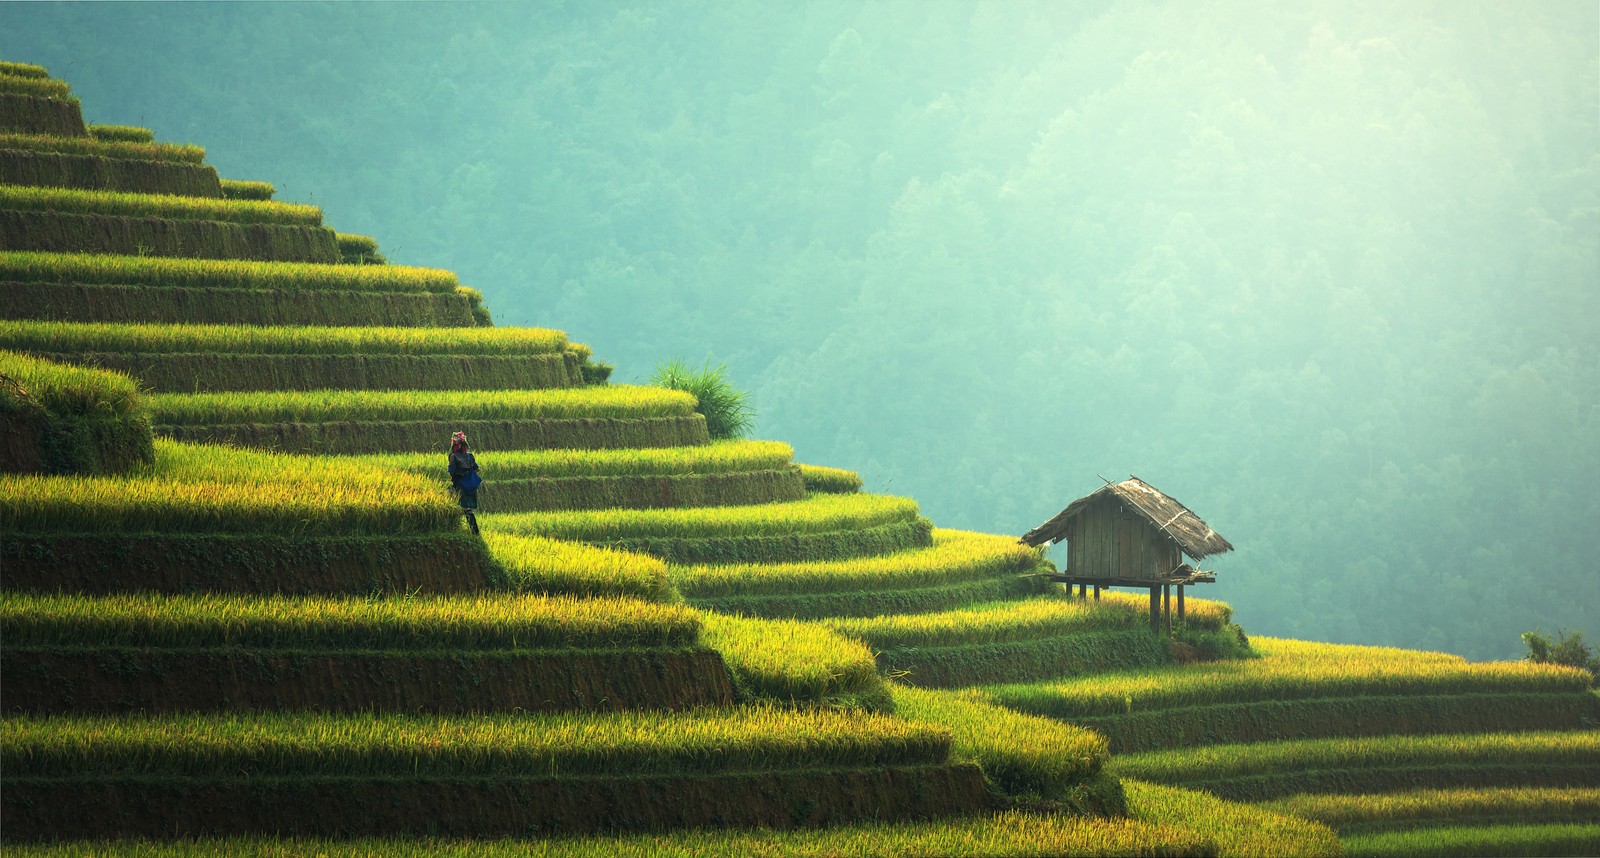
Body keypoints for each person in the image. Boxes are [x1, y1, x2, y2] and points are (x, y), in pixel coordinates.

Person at [447, 430, 481, 535]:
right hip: (471, 485)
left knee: (459, 507)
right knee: (468, 509)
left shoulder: (453, 456)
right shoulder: (470, 456)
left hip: (460, 485)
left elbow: (451, 471)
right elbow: (477, 469)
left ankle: (455, 529)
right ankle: (475, 532)